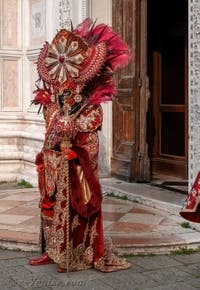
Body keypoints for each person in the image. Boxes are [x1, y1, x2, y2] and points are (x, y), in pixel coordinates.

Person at [28, 18, 131, 273]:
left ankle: (76, 255)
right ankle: (52, 252)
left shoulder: (88, 101)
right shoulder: (54, 98)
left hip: (75, 159)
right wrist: (54, 127)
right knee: (49, 203)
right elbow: (51, 123)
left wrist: (74, 138)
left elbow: (93, 123)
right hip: (54, 159)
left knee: (75, 205)